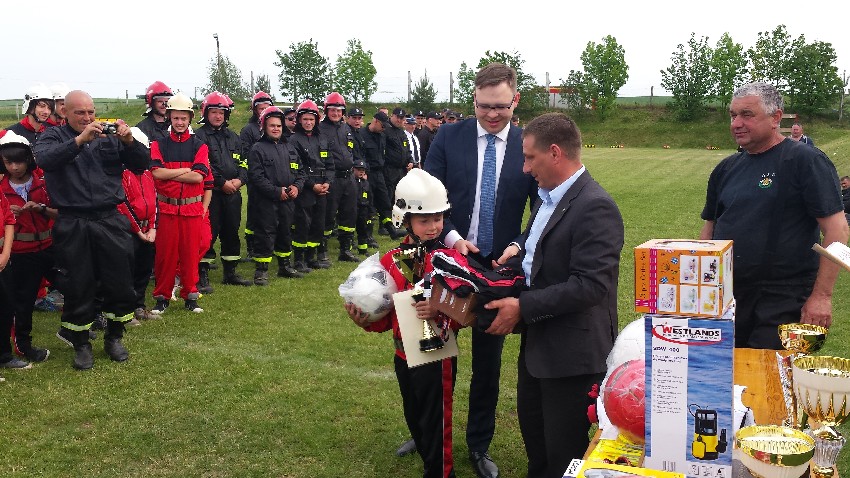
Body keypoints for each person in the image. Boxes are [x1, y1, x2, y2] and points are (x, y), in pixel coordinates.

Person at [485, 112, 624, 478]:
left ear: (556, 153)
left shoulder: (595, 206)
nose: (525, 168)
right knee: (538, 447)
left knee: (563, 455)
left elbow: (590, 286)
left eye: (530, 157)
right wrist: (502, 269)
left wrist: (523, 306)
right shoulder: (547, 198)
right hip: (539, 346)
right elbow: (537, 256)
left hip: (572, 355)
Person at [424, 62, 537, 478]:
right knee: (433, 355)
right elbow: (428, 197)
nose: (491, 114)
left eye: (501, 107)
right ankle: (428, 433)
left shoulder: (528, 143)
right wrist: (453, 238)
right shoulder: (448, 137)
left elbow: (543, 207)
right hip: (448, 260)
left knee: (487, 366)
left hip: (498, 271)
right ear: (473, 99)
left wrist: (519, 244)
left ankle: (478, 444)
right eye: (484, 106)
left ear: (515, 101)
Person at [699, 82, 849, 349]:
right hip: (729, 296)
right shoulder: (726, 169)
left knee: (772, 372)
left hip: (784, 297)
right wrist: (702, 286)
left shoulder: (805, 161)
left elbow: (837, 230)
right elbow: (710, 229)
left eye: (747, 115)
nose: (736, 123)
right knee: (727, 369)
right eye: (733, 115)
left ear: (776, 117)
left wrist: (822, 296)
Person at [345, 168, 461, 478]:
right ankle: (428, 459)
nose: (433, 226)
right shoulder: (392, 260)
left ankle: (440, 472)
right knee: (415, 414)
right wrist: (365, 319)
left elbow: (466, 310)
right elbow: (387, 316)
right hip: (402, 353)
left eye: (438, 218)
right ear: (405, 220)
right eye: (424, 220)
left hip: (435, 353)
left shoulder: (451, 260)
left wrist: (440, 310)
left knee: (436, 419)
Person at [34, 90, 149, 370]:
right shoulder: (53, 136)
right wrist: (79, 141)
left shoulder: (109, 136)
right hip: (73, 220)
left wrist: (129, 141)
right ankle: (81, 343)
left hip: (110, 218)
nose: (87, 118)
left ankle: (114, 337)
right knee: (78, 284)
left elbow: (142, 164)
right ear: (64, 112)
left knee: (119, 281)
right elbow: (44, 159)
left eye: (91, 112)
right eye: (80, 112)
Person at [149, 92, 213, 315]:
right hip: (167, 209)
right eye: (176, 117)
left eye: (183, 118)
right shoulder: (158, 144)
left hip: (191, 209)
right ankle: (162, 297)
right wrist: (186, 170)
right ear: (169, 117)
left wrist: (170, 173)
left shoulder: (199, 146)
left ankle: (190, 295)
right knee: (165, 256)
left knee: (190, 255)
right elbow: (156, 173)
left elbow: (198, 177)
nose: (179, 122)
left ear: (190, 118)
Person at [0, 130, 57, 367]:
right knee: (23, 302)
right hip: (21, 253)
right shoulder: (1, 188)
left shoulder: (44, 181)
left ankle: (76, 328)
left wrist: (40, 208)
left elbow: (61, 212)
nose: (14, 167)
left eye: (19, 161)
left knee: (74, 286)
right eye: (8, 162)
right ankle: (23, 345)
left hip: (50, 247)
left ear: (28, 159)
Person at [195, 91, 252, 289]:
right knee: (207, 233)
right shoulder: (198, 137)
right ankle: (202, 273)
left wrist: (240, 180)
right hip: (211, 194)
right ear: (205, 113)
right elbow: (204, 165)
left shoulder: (234, 137)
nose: (218, 116)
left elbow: (244, 162)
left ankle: (230, 272)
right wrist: (221, 183)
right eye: (214, 112)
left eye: (221, 113)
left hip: (233, 194)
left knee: (231, 231)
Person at [247, 106, 306, 285]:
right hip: (265, 201)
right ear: (264, 127)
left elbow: (301, 172)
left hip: (288, 200)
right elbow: (256, 177)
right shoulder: (257, 149)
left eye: (279, 126)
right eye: (272, 125)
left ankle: (284, 266)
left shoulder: (290, 148)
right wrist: (276, 192)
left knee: (285, 232)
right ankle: (261, 270)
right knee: (265, 233)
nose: (276, 129)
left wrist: (297, 187)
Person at [116, 130, 159, 323]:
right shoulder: (123, 175)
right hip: (129, 231)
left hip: (147, 230)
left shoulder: (148, 174)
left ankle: (139, 305)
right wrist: (139, 231)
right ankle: (126, 310)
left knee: (144, 269)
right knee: (127, 272)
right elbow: (123, 205)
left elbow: (154, 202)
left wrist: (153, 228)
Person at [290, 99, 332, 272]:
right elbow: (296, 168)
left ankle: (311, 257)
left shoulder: (322, 139)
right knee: (302, 224)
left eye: (311, 119)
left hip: (322, 188)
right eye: (305, 119)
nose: (308, 122)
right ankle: (299, 260)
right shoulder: (294, 140)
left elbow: (330, 164)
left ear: (316, 120)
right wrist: (312, 185)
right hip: (305, 190)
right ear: (299, 120)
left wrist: (328, 182)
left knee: (318, 223)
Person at [318, 92, 359, 263]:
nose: (336, 113)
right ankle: (322, 250)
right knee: (327, 215)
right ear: (326, 110)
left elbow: (351, 150)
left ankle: (345, 249)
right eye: (333, 110)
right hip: (332, 179)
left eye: (339, 110)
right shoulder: (319, 129)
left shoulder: (345, 128)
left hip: (349, 178)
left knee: (349, 214)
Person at [240, 91, 275, 261]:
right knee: (255, 213)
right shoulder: (249, 130)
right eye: (261, 108)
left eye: (267, 108)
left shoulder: (273, 127)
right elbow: (246, 153)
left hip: (274, 178)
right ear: (255, 110)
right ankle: (251, 245)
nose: (264, 111)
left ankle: (269, 243)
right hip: (256, 179)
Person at [364, 112, 404, 239]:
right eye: (382, 126)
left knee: (385, 201)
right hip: (367, 174)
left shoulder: (382, 136)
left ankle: (391, 230)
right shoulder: (362, 135)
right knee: (368, 205)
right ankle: (367, 235)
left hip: (380, 173)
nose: (384, 129)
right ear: (375, 121)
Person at [352, 158, 378, 254]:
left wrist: (371, 211)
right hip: (353, 209)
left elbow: (370, 197)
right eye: (359, 170)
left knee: (363, 230)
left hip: (364, 210)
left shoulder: (366, 183)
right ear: (353, 169)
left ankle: (363, 250)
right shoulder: (351, 182)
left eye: (363, 170)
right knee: (349, 231)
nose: (361, 172)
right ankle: (348, 249)